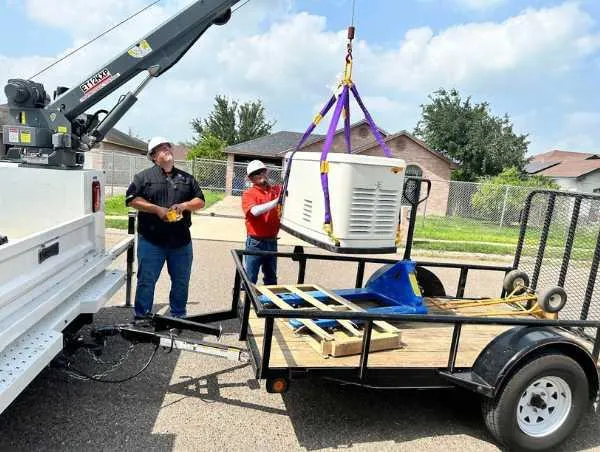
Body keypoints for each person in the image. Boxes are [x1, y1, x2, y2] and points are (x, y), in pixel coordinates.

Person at [125, 136, 205, 319]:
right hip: (152, 241)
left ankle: (178, 316)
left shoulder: (186, 178)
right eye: (161, 148)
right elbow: (132, 200)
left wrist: (184, 206)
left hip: (181, 242)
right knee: (146, 281)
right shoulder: (143, 177)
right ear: (153, 156)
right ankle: (142, 317)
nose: (166, 149)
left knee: (181, 281)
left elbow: (200, 201)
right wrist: (156, 209)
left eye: (167, 146)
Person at [241, 160, 282, 285]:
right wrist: (276, 202)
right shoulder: (249, 194)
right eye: (255, 173)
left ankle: (269, 304)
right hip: (255, 242)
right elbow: (255, 211)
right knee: (250, 278)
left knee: (271, 277)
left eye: (261, 171)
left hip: (272, 241)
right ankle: (244, 303)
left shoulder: (276, 190)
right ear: (250, 178)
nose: (260, 175)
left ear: (266, 172)